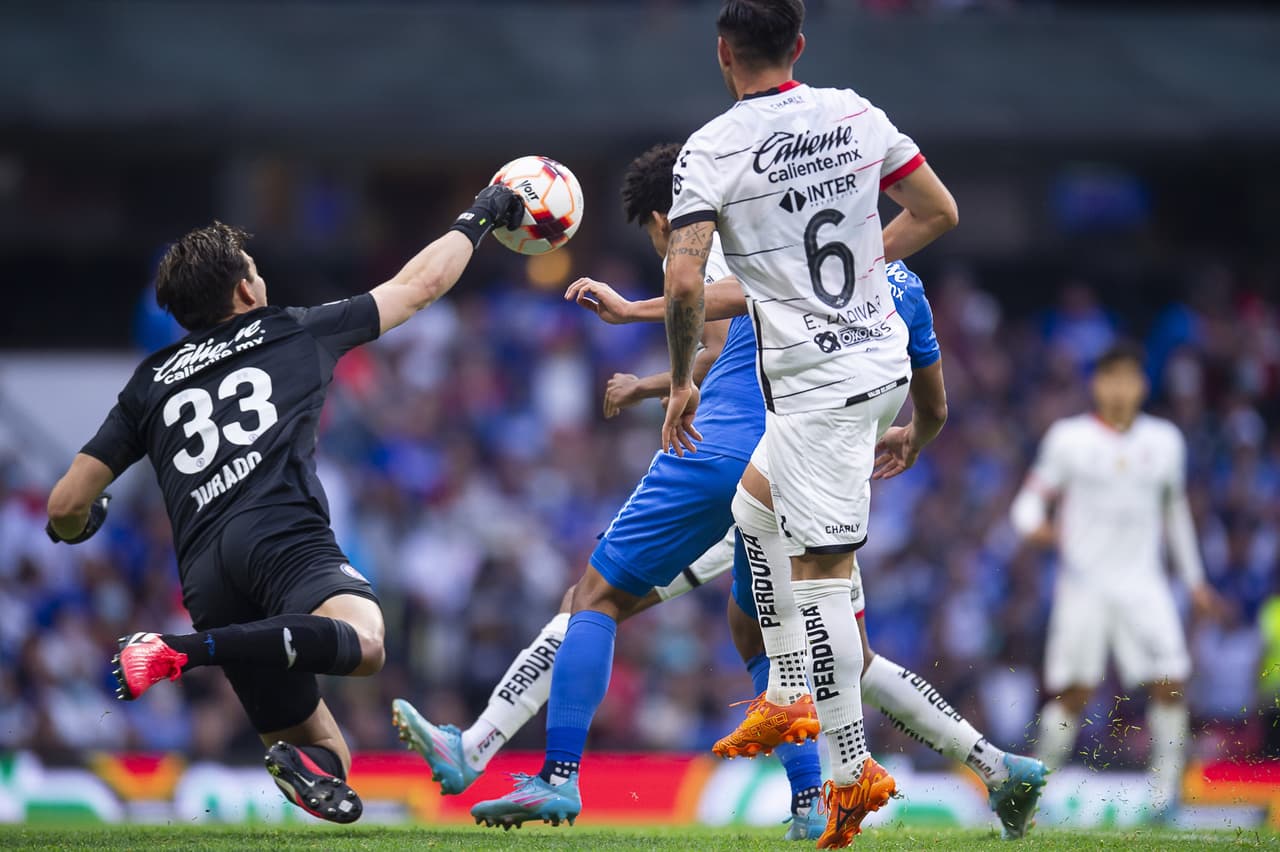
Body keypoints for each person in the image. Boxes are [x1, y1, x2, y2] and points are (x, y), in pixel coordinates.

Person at [404, 142, 1041, 840]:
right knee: (781, 640)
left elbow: (715, 320)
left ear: (662, 215)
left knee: (596, 600)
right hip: (809, 473)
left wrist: (641, 334)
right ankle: (923, 782)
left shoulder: (743, 246)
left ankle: (534, 770)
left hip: (732, 454)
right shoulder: (891, 283)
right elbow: (925, 403)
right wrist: (907, 438)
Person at [44, 184, 524, 823]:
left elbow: (63, 504)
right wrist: (481, 213)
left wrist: (85, 523)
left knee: (327, 759)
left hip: (208, 577)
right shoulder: (291, 332)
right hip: (282, 537)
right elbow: (419, 286)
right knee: (368, 641)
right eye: (255, 269)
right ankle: (181, 651)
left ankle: (200, 650)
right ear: (245, 291)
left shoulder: (149, 382)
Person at [661, 1, 958, 846]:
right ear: (798, 46)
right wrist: (863, 273)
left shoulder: (710, 149)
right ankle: (789, 691)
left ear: (722, 53)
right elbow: (938, 211)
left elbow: (686, 285)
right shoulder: (854, 111)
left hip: (826, 388)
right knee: (752, 513)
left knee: (820, 578)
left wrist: (681, 380)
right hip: (856, 369)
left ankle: (851, 771)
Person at [1010, 341, 1225, 819]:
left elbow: (1176, 513)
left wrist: (1194, 581)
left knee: (1171, 681)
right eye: (1112, 378)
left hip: (1144, 585)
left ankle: (1163, 796)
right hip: (1083, 587)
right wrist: (1043, 531)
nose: (1121, 389)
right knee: (1074, 694)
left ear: (1143, 385)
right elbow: (1025, 508)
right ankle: (1032, 790)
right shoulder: (1069, 439)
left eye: (1130, 378)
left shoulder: (1166, 441)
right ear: (1097, 384)